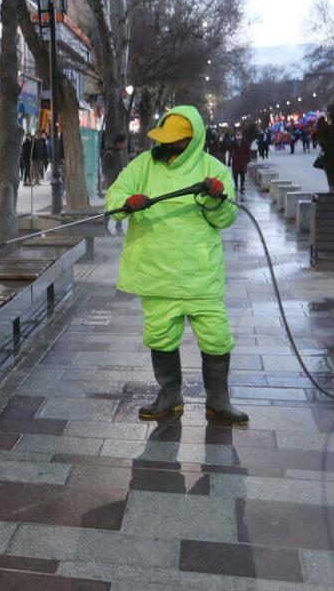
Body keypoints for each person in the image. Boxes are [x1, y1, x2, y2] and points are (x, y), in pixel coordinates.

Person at [105, 106, 248, 425]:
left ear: (194, 139)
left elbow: (224, 218)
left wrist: (215, 198)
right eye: (165, 139)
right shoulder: (143, 165)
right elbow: (115, 198)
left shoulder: (214, 169)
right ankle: (169, 395)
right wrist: (126, 204)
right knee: (160, 335)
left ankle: (218, 400)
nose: (168, 146)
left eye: (177, 141)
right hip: (156, 270)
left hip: (200, 273)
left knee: (216, 335)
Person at [101, 135, 129, 235]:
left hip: (117, 183)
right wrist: (112, 179)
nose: (125, 145)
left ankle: (118, 227)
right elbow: (105, 169)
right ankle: (105, 226)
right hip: (112, 183)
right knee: (110, 205)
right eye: (124, 142)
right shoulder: (110, 153)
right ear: (118, 143)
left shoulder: (116, 153)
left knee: (119, 204)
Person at [230, 128, 251, 196]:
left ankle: (242, 186)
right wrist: (229, 160)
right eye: (237, 134)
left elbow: (248, 150)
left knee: (242, 173)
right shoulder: (233, 141)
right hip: (235, 159)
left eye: (239, 134)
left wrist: (248, 158)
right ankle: (236, 186)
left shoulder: (244, 141)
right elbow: (230, 150)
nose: (238, 135)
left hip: (242, 160)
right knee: (235, 174)